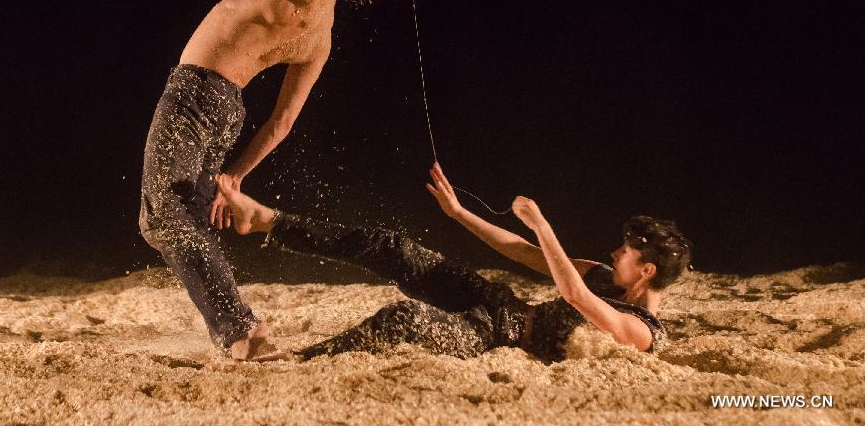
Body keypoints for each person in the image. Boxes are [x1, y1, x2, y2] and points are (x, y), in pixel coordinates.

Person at [138, 0, 413, 360]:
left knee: (162, 216)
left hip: (193, 96)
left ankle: (241, 330)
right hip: (227, 109)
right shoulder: (322, 34)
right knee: (180, 213)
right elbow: (281, 123)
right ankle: (237, 327)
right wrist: (235, 178)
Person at [216, 163, 692, 362]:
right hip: (500, 305)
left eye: (626, 253)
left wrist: (542, 224)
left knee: (403, 317)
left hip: (497, 338)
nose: (615, 254)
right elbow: (523, 253)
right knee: (395, 248)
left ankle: (298, 359)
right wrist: (460, 214)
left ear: (647, 272)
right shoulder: (607, 277)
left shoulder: (640, 330)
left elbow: (574, 296)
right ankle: (266, 221)